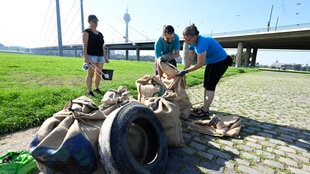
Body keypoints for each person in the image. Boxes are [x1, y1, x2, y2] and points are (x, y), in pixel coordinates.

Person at [177, 24, 232, 118]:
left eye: (188, 39)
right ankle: (204, 108)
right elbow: (190, 58)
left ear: (195, 36)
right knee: (206, 86)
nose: (186, 42)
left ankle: (205, 110)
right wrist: (184, 70)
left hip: (221, 62)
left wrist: (186, 71)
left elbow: (200, 64)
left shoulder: (202, 42)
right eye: (185, 39)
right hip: (211, 63)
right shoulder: (192, 44)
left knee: (210, 86)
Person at [82, 14, 109, 97]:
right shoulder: (87, 32)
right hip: (91, 55)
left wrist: (105, 57)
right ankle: (89, 91)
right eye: (93, 21)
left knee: (99, 74)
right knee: (91, 74)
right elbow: (84, 45)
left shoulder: (100, 34)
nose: (95, 23)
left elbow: (102, 47)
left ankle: (96, 88)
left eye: (96, 21)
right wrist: (86, 57)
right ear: (89, 22)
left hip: (100, 56)